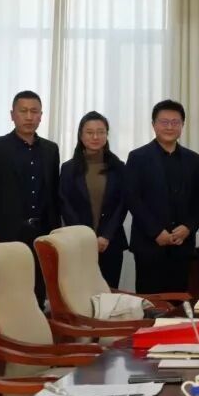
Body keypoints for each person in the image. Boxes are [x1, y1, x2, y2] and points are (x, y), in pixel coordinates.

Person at [0, 90, 60, 305]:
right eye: (23, 111)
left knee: (38, 288)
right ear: (12, 115)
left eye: (34, 111)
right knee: (6, 289)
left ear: (41, 116)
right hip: (7, 231)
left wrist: (55, 232)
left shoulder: (51, 149)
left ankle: (38, 323)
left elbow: (53, 193)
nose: (29, 117)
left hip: (41, 232)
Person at [125, 99, 199, 294]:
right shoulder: (137, 157)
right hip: (149, 245)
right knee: (150, 302)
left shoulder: (194, 160)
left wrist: (188, 227)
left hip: (182, 245)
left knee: (179, 300)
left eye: (175, 122)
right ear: (154, 125)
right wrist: (156, 232)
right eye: (164, 122)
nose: (169, 127)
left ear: (182, 125)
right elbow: (132, 199)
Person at [58, 111, 128, 288]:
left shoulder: (119, 167)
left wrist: (106, 236)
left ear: (107, 135)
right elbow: (64, 204)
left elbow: (123, 204)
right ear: (81, 135)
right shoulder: (68, 168)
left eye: (101, 132)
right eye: (89, 132)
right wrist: (87, 237)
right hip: (79, 243)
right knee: (80, 293)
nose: (95, 137)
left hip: (110, 243)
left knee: (109, 293)